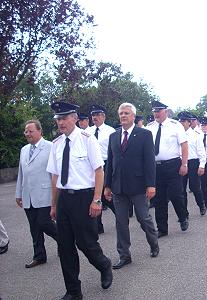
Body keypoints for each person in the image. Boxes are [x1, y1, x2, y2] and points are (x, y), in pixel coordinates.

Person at [47, 101, 112, 300]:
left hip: (84, 198)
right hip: (65, 199)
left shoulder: (87, 139)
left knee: (86, 243)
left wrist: (97, 200)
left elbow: (98, 171)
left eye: (64, 118)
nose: (61, 122)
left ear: (75, 118)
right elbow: (55, 177)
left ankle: (104, 265)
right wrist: (54, 204)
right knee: (65, 247)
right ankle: (73, 291)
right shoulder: (57, 144)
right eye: (58, 119)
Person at [104, 103, 159, 270]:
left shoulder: (144, 134)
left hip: (138, 186)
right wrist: (107, 185)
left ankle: (154, 243)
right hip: (118, 187)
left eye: (126, 113)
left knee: (144, 218)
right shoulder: (114, 136)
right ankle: (124, 255)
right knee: (121, 222)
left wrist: (151, 184)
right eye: (121, 113)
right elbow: (110, 163)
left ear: (133, 116)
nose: (123, 116)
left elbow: (150, 161)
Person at [15, 119, 58, 268]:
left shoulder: (51, 147)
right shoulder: (24, 150)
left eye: (30, 131)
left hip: (45, 193)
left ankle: (63, 239)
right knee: (34, 226)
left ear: (40, 131)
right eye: (26, 131)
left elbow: (55, 173)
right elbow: (21, 173)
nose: (27, 134)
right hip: (28, 195)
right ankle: (39, 256)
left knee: (44, 222)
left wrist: (56, 196)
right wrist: (18, 193)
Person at [146, 101, 189, 238]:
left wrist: (184, 164)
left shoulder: (175, 126)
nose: (156, 114)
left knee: (176, 194)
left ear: (165, 111)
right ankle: (162, 228)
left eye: (159, 111)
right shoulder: (149, 127)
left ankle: (183, 217)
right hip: (156, 167)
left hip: (173, 165)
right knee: (159, 199)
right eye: (154, 111)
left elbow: (184, 145)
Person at [86, 104, 116, 234]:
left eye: (97, 115)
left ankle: (121, 216)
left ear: (103, 116)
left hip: (106, 163)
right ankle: (98, 225)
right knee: (94, 194)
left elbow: (115, 151)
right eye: (93, 115)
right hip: (91, 165)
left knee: (106, 194)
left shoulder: (111, 131)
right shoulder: (87, 132)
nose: (95, 117)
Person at [178, 112, 207, 216]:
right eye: (180, 121)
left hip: (193, 162)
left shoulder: (196, 135)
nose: (181, 123)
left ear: (189, 122)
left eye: (184, 121)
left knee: (195, 187)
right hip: (181, 163)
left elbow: (201, 152)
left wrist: (202, 165)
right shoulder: (177, 135)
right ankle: (184, 213)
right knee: (181, 190)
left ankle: (201, 205)